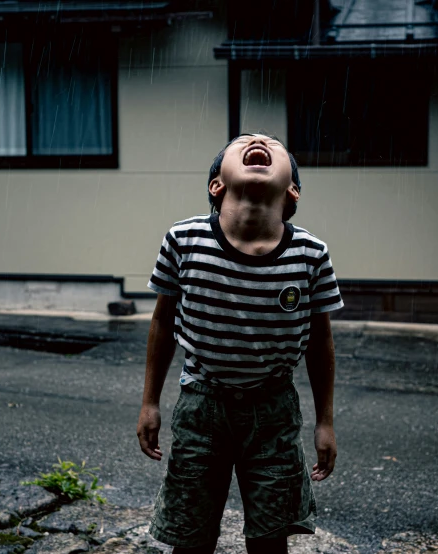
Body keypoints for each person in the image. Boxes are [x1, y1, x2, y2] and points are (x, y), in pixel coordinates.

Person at [136, 133, 343, 554]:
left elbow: (320, 342)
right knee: (190, 535)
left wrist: (325, 422)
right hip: (202, 405)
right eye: (244, 141)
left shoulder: (310, 254)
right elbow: (161, 321)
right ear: (217, 185)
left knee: (270, 537)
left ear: (292, 191)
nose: (260, 140)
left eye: (274, 144)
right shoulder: (184, 240)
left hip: (274, 411)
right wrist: (150, 402)